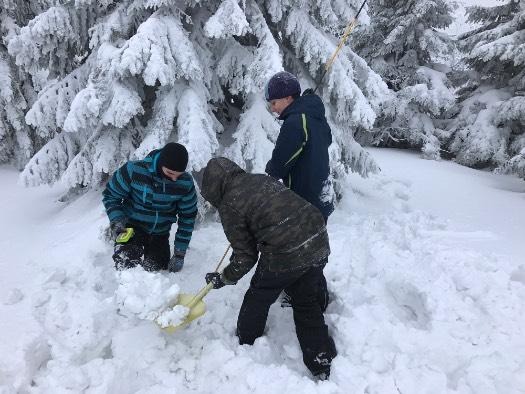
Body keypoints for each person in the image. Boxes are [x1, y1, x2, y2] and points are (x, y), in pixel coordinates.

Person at [201, 157, 337, 380]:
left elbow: (246, 257)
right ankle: (320, 360)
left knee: (259, 295)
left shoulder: (230, 204)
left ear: (214, 188)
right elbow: (258, 231)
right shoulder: (259, 179)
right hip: (317, 236)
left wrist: (224, 277)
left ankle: (246, 340)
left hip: (285, 250)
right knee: (305, 299)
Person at [264, 71, 334, 311]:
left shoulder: (295, 122)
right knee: (313, 245)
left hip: (307, 198)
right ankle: (314, 292)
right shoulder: (314, 116)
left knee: (305, 249)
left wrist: (270, 169)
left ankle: (312, 298)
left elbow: (280, 164)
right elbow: (326, 141)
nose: (272, 109)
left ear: (286, 98)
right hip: (322, 193)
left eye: (273, 102)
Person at [102, 142, 197, 272]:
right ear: (161, 163)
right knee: (127, 269)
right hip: (131, 230)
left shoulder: (185, 183)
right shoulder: (133, 170)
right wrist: (117, 221)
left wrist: (180, 253)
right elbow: (111, 196)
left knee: (155, 273)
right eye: (170, 173)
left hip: (160, 234)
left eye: (178, 175)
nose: (175, 179)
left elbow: (188, 217)